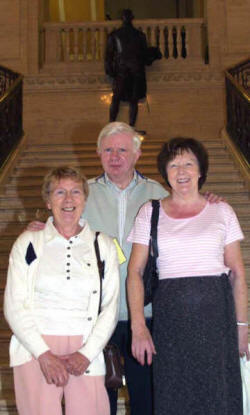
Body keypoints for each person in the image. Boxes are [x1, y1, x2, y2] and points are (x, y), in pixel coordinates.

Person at [27, 122, 222, 415]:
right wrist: (46, 229)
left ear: (137, 154)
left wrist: (209, 201)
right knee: (98, 403)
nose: (115, 156)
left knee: (147, 400)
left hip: (146, 316)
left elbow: (190, 215)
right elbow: (61, 229)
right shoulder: (81, 194)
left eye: (122, 149)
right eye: (108, 150)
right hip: (95, 317)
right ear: (98, 153)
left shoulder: (159, 194)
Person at [127, 137, 249, 415]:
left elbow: (238, 274)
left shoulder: (222, 211)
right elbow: (134, 272)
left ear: (200, 170)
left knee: (219, 396)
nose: (181, 171)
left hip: (218, 321)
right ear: (165, 173)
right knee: (174, 397)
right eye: (174, 165)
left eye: (188, 164)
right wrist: (138, 326)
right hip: (171, 323)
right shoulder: (149, 212)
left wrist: (242, 327)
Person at [4, 166, 120, 415]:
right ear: (48, 202)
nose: (69, 199)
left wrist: (87, 354)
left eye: (76, 192)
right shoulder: (28, 243)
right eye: (60, 192)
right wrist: (43, 355)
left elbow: (110, 307)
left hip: (85, 346)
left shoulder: (104, 245)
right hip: (35, 346)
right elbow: (14, 304)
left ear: (85, 200)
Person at [105, 9, 148, 131]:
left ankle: (114, 123)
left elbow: (108, 57)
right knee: (127, 99)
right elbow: (144, 56)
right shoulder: (139, 35)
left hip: (123, 71)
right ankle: (127, 125)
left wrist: (110, 71)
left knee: (119, 98)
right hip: (132, 71)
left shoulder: (115, 35)